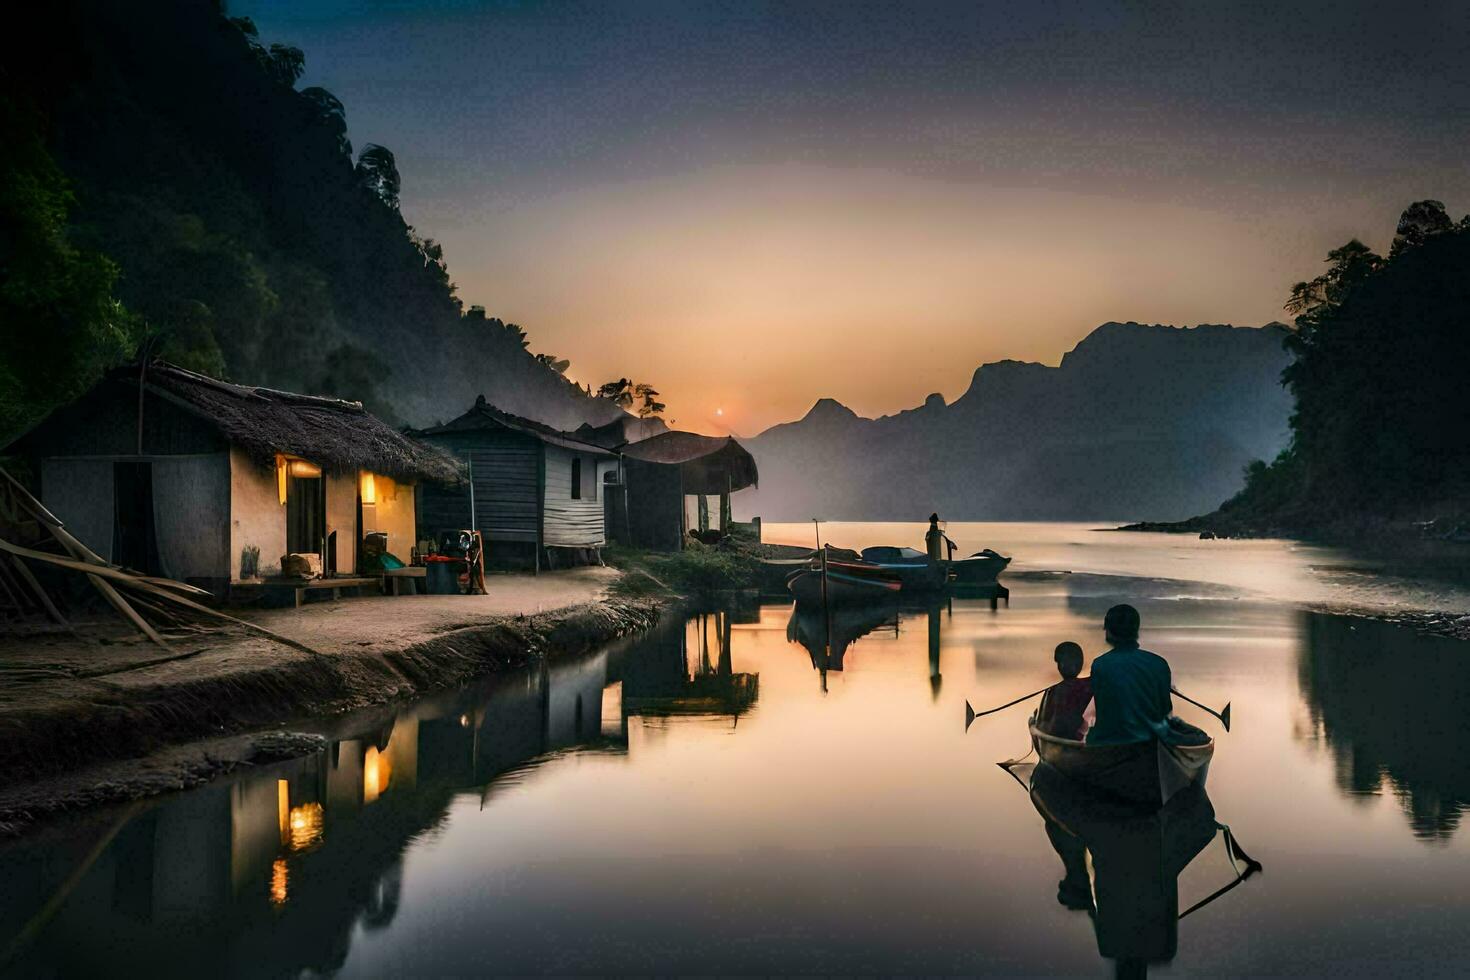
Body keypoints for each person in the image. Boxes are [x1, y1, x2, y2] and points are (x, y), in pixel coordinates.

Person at [1084, 604, 1176, 746]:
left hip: (1109, 744)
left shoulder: (1100, 665)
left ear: (1109, 631)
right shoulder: (1159, 664)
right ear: (1136, 630)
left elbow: (1103, 711)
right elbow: (1166, 710)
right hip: (1150, 743)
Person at [1036, 641, 1091, 740]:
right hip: (1084, 739)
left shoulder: (1055, 690)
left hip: (1061, 739)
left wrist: (1036, 725)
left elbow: (1049, 724)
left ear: (1060, 666)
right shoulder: (1090, 686)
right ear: (1080, 665)